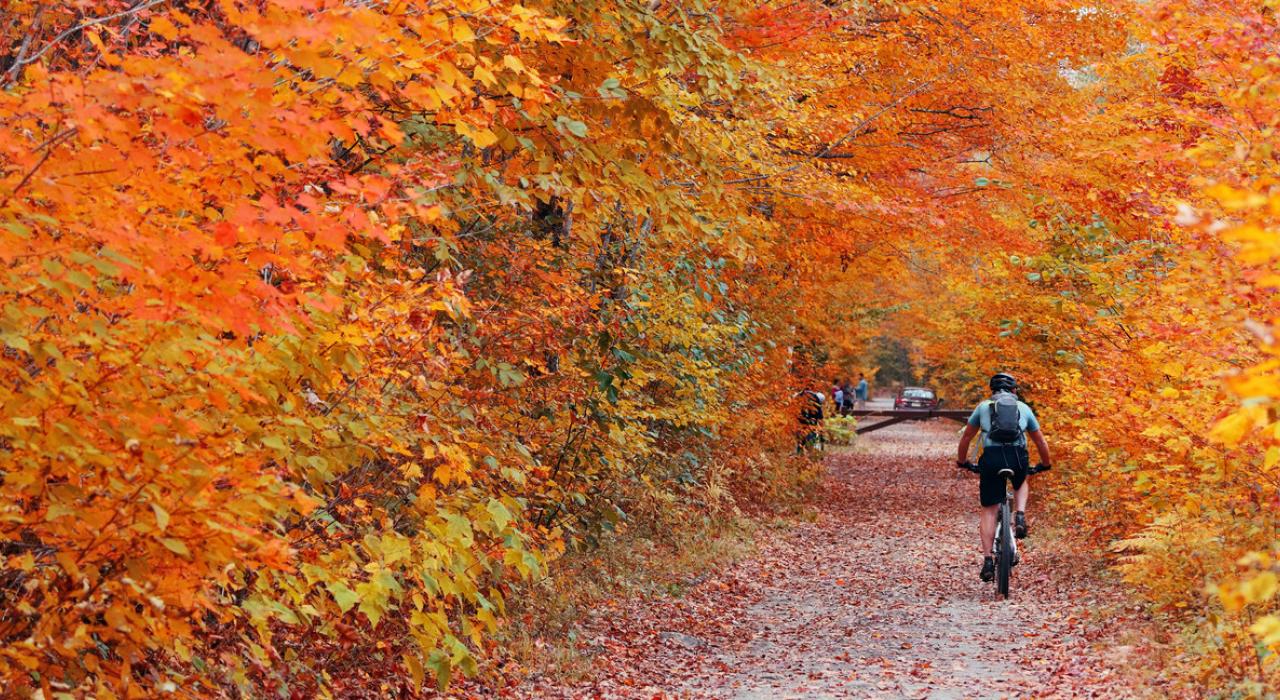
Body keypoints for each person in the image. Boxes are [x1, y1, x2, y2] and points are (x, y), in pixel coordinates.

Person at [956, 372, 1052, 582]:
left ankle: (988, 560)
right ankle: (1020, 515)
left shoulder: (983, 407)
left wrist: (962, 461)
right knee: (1021, 480)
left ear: (992, 391)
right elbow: (1040, 442)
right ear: (1014, 390)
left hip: (992, 458)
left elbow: (966, 438)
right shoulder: (1023, 408)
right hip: (1017, 457)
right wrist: (1046, 463)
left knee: (989, 510)